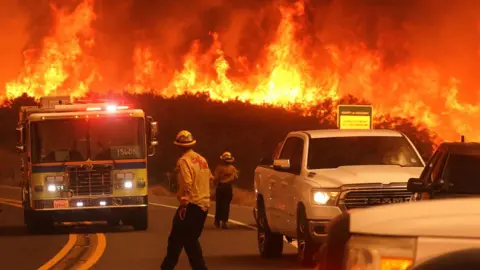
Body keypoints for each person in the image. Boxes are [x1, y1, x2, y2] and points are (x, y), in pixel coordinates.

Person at [161, 130, 213, 270]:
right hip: (203, 205)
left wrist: (184, 204)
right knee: (189, 241)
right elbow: (210, 179)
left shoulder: (183, 161)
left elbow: (187, 183)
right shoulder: (202, 159)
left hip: (191, 204)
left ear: (178, 146)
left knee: (177, 240)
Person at [213, 152, 239, 229]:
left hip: (221, 187)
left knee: (220, 204)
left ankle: (218, 220)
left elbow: (215, 177)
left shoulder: (219, 168)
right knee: (225, 205)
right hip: (227, 187)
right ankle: (223, 221)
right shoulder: (233, 168)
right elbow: (235, 177)